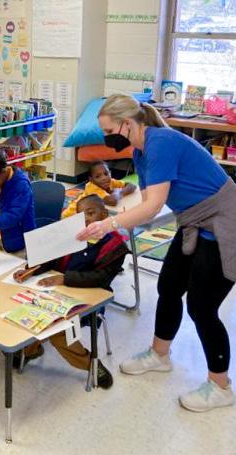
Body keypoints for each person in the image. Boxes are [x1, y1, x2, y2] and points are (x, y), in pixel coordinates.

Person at [76, 94, 236, 412]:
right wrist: (114, 217)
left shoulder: (161, 143)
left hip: (224, 222)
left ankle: (221, 386)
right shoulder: (140, 151)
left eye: (108, 131)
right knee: (170, 286)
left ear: (127, 124)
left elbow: (151, 208)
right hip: (194, 221)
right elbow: (149, 200)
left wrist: (108, 225)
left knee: (203, 308)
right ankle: (160, 355)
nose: (106, 138)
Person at [12, 195, 129, 389]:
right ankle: (30, 349)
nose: (86, 220)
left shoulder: (115, 246)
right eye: (80, 216)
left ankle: (91, 364)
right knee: (26, 308)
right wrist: (32, 269)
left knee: (57, 329)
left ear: (104, 214)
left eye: (91, 213)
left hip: (90, 297)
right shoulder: (72, 235)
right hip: (57, 291)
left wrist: (65, 278)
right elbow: (51, 259)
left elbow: (101, 278)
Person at [63, 160, 136, 218]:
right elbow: (112, 201)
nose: (104, 178)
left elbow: (132, 186)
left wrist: (118, 192)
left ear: (110, 173)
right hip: (72, 215)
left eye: (106, 174)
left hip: (88, 214)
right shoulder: (91, 187)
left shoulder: (110, 181)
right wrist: (119, 192)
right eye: (98, 176)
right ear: (91, 179)